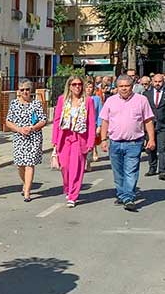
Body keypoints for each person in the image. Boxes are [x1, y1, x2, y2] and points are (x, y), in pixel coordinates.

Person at [99, 75, 156, 212]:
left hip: (134, 143)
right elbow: (105, 121)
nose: (124, 89)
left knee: (131, 171)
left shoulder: (141, 100)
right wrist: (103, 139)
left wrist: (151, 139)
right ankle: (121, 194)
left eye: (127, 86)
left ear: (132, 86)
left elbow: (148, 121)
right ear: (117, 87)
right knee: (118, 172)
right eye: (121, 86)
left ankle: (129, 197)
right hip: (115, 142)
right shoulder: (110, 101)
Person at [52, 76, 97, 207]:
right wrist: (54, 139)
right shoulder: (62, 100)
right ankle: (68, 187)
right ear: (69, 86)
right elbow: (56, 120)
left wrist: (91, 142)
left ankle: (73, 195)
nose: (77, 87)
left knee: (76, 168)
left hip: (80, 138)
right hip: (65, 137)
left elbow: (91, 123)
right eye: (74, 84)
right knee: (65, 166)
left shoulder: (88, 101)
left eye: (79, 84)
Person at [6, 80, 48, 202]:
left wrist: (32, 128)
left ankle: (27, 192)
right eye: (22, 89)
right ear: (19, 91)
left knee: (29, 164)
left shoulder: (36, 104)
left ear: (31, 91)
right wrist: (19, 129)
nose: (25, 92)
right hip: (19, 137)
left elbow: (43, 120)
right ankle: (25, 183)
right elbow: (8, 121)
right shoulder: (14, 104)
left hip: (33, 137)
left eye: (27, 89)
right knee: (20, 165)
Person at [145, 73, 165, 180]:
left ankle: (162, 171)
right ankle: (152, 168)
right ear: (152, 82)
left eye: (159, 81)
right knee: (151, 148)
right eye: (156, 81)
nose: (157, 83)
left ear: (163, 82)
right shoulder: (146, 94)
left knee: (162, 148)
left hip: (164, 124)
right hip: (149, 125)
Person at [84, 81, 103, 170]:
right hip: (81, 125)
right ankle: (82, 162)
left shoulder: (96, 99)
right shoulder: (81, 98)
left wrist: (99, 126)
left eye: (90, 87)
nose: (88, 89)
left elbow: (100, 113)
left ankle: (88, 162)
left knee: (90, 144)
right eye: (87, 87)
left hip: (92, 125)